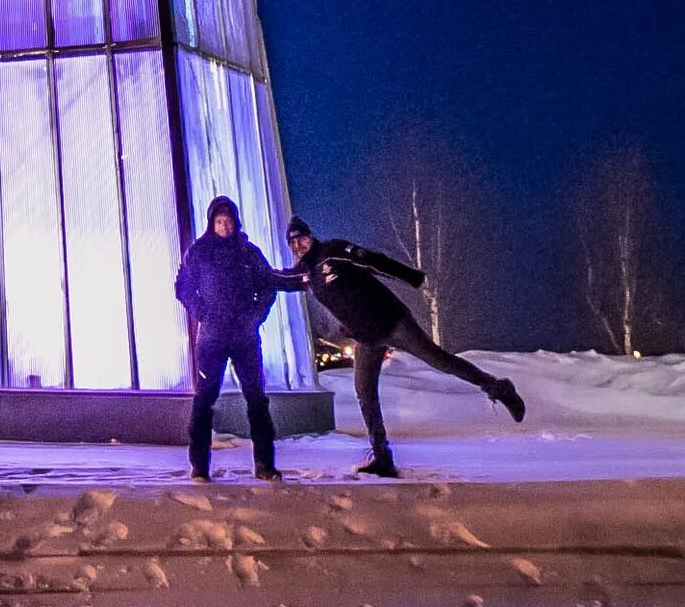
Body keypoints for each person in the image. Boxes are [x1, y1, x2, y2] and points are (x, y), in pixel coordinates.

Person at [286, 215, 523, 479]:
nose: (299, 245)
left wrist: (411, 277)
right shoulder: (305, 274)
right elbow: (277, 278)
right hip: (366, 338)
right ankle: (382, 457)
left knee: (440, 361)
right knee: (365, 394)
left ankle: (499, 387)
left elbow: (373, 260)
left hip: (392, 322)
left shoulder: (334, 252)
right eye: (293, 243)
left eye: (302, 239)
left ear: (311, 236)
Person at [173, 194, 295, 482]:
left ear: (235, 222)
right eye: (219, 221)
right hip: (212, 339)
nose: (225, 226)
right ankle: (200, 466)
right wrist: (200, 311)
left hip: (245, 338)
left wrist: (256, 314)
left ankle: (265, 464)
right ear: (212, 223)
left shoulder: (248, 252)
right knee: (204, 400)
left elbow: (267, 284)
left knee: (256, 400)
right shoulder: (199, 252)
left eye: (228, 221)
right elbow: (183, 286)